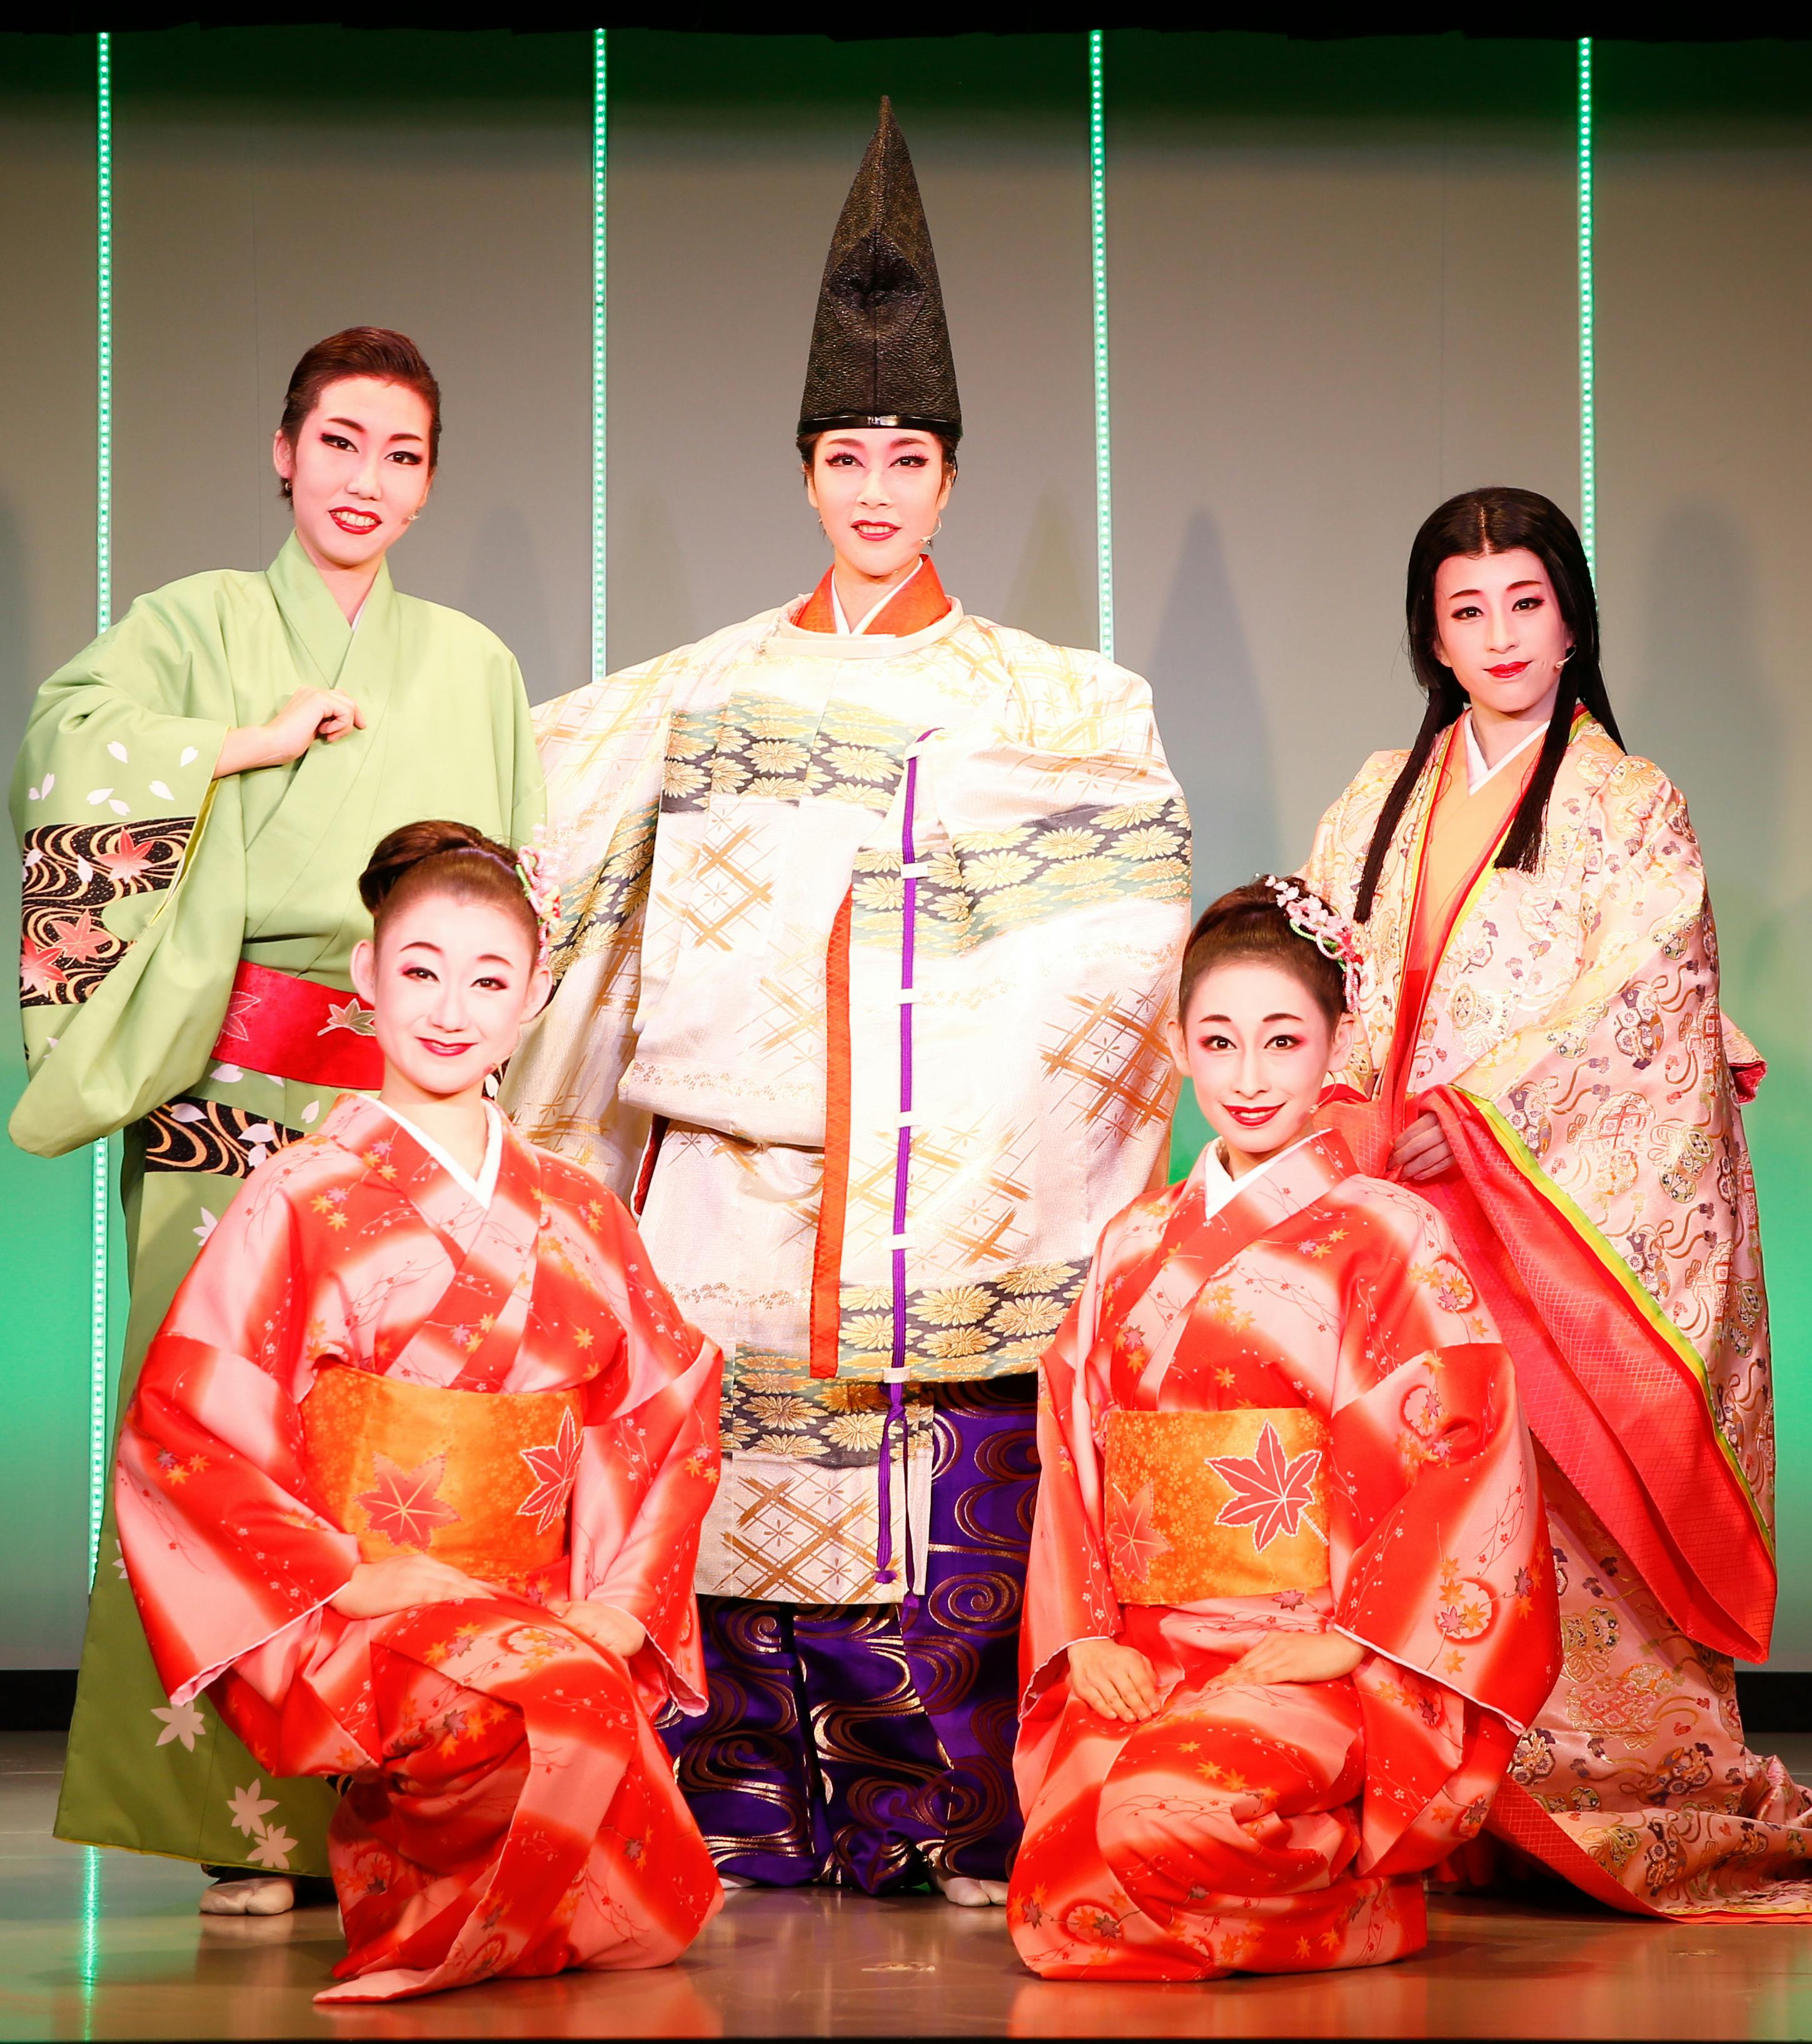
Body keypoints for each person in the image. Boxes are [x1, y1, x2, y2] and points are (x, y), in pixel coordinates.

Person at [501, 101, 1186, 1905]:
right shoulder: (696, 691)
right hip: (728, 1174)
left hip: (942, 1200)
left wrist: (933, 993)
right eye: (846, 456)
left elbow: (1125, 927)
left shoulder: (1060, 702)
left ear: (951, 480)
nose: (877, 489)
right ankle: (734, 1807)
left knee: (926, 1519)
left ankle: (938, 1812)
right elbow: (523, 824)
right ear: (805, 475)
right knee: (729, 1506)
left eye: (908, 457)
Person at [1301, 486, 1812, 1921]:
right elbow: (1328, 975)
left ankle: (1597, 1781)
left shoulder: (1630, 804)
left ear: (1571, 621)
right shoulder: (1374, 799)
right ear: (1431, 638)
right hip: (1403, 1214)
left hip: (1546, 1220)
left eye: (1526, 603)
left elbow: (1642, 1005)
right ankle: (1432, 1777)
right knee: (1411, 1498)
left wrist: (1467, 1123)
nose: (1501, 636)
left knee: (1569, 1518)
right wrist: (1347, 1107)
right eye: (1466, 611)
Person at [11, 328, 546, 1913]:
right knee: (213, 1438)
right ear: (283, 450)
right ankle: (232, 1816)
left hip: (405, 1098)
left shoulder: (475, 666)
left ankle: (407, 1799)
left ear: (429, 482)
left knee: (392, 1447)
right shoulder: (191, 626)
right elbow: (67, 748)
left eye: (402, 454)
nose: (366, 479)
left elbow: (518, 894)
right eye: (340, 442)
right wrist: (241, 744)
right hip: (228, 1092)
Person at [114, 821, 724, 2002]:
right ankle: (439, 1904)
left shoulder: (581, 1209)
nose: (452, 1009)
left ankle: (464, 1906)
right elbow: (189, 1422)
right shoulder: (298, 1193)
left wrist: (617, 1600)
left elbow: (662, 1410)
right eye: (421, 969)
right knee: (559, 1706)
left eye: (490, 980)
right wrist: (343, 1570)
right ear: (367, 976)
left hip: (543, 1599)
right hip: (369, 1597)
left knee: (584, 1734)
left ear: (534, 997)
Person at [1006, 877, 1556, 1979]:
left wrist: (1353, 1638)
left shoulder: (1388, 1232)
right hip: (1150, 1646)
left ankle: (1357, 1882)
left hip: (1303, 1643)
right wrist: (1091, 1634)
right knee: (1056, 1906)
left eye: (1283, 1040)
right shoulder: (1134, 1240)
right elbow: (1073, 1448)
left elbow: (1468, 1451)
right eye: (1219, 1041)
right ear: (1180, 1048)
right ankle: (1307, 1890)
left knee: (1159, 1820)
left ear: (1335, 1047)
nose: (1250, 1077)